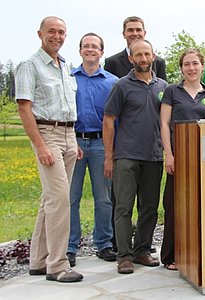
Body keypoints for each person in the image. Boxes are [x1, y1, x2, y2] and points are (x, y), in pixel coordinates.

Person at [15, 16, 83, 282]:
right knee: (59, 200)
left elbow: (67, 105)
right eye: (52, 31)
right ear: (40, 33)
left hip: (68, 133)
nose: (57, 36)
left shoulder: (65, 65)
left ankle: (38, 260)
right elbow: (24, 108)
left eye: (62, 32)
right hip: (47, 134)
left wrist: (73, 139)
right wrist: (40, 145)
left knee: (49, 200)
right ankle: (57, 265)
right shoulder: (29, 66)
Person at [103, 39, 168, 274]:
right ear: (131, 58)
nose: (143, 59)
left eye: (146, 54)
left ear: (153, 56)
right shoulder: (121, 86)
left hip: (153, 155)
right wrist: (109, 157)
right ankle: (124, 256)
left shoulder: (163, 86)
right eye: (138, 55)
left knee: (149, 207)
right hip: (126, 156)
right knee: (123, 207)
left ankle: (142, 250)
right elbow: (109, 121)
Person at [160, 48, 205, 271]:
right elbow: (164, 123)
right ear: (181, 68)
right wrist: (169, 154)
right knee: (174, 206)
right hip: (178, 157)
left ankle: (197, 252)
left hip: (202, 159)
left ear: (202, 66)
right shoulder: (172, 91)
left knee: (200, 206)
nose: (191, 68)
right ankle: (171, 256)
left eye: (195, 63)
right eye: (186, 64)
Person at [67, 33, 118, 267]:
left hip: (101, 144)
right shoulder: (68, 78)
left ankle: (104, 244)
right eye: (86, 46)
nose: (90, 50)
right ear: (80, 51)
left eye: (94, 47)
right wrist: (70, 139)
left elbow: (117, 119)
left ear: (101, 52)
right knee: (70, 197)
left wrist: (111, 150)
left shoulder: (112, 82)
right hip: (72, 142)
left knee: (104, 197)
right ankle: (69, 246)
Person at [104, 16, 167, 80]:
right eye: (130, 30)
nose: (135, 33)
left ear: (144, 33)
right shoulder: (112, 63)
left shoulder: (158, 62)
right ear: (124, 34)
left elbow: (162, 89)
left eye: (138, 30)